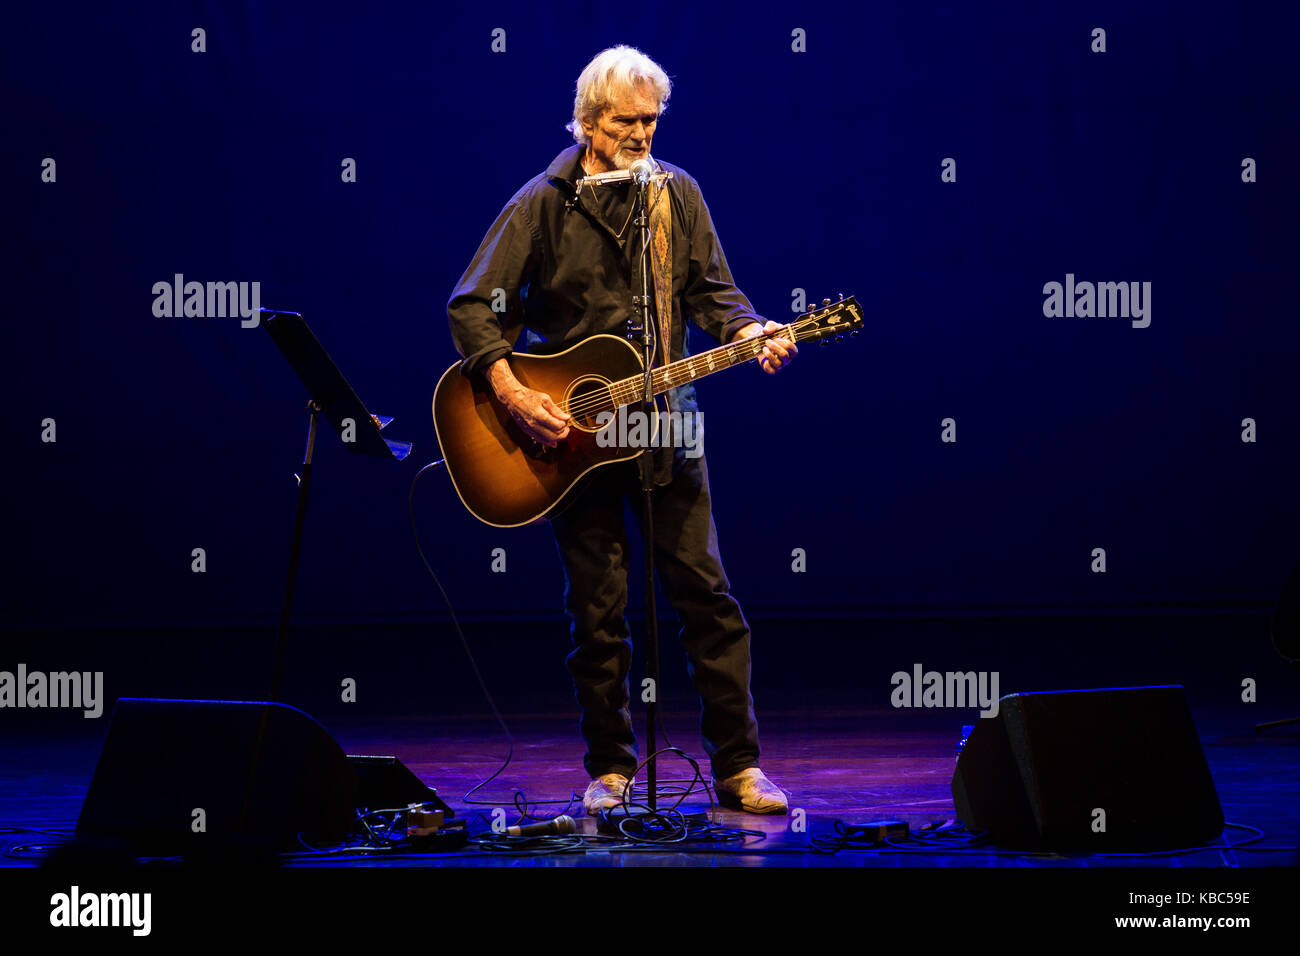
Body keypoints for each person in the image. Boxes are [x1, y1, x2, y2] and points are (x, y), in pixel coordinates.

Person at [446, 45, 796, 815]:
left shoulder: (678, 193)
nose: (642, 133)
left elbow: (715, 294)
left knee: (707, 597)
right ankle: (610, 770)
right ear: (588, 120)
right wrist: (509, 390)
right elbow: (473, 306)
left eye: (651, 120)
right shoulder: (542, 200)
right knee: (597, 612)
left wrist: (752, 331)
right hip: (568, 437)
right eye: (626, 121)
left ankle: (739, 768)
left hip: (669, 423)